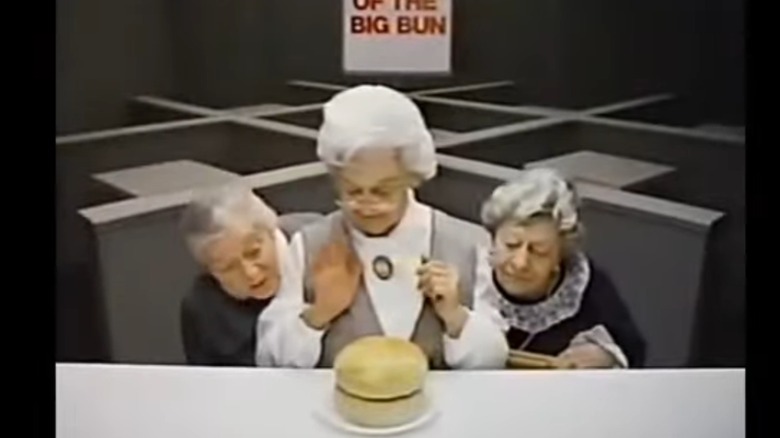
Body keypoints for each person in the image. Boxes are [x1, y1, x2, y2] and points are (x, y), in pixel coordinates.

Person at [256, 84, 509, 369]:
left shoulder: (466, 243)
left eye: (383, 191)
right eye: (351, 190)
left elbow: (494, 360)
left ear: (412, 177)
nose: (366, 204)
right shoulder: (308, 245)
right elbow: (268, 358)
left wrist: (454, 316)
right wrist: (319, 313)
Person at [480, 168, 646, 368]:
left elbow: (632, 349)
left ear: (561, 256)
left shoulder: (587, 288)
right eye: (511, 244)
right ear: (493, 238)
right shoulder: (470, 275)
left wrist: (606, 355)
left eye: (539, 251)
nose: (520, 262)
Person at [178, 184, 320, 366]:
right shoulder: (202, 308)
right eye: (228, 268)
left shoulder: (321, 241)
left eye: (254, 252)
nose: (250, 273)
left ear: (271, 230)